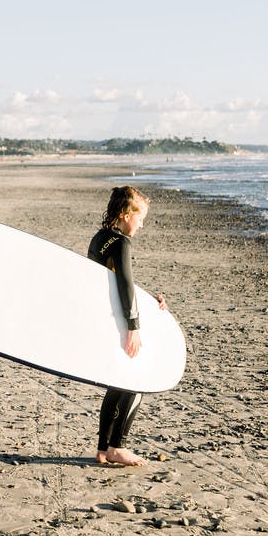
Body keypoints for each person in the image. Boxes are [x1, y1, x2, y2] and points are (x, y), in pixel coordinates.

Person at [87, 186, 167, 466]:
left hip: (103, 318)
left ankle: (102, 448)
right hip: (119, 321)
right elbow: (123, 285)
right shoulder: (121, 243)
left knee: (116, 383)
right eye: (140, 218)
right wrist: (133, 326)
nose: (142, 224)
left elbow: (117, 283)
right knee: (137, 381)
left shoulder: (100, 238)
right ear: (125, 215)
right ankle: (117, 447)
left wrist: (148, 300)